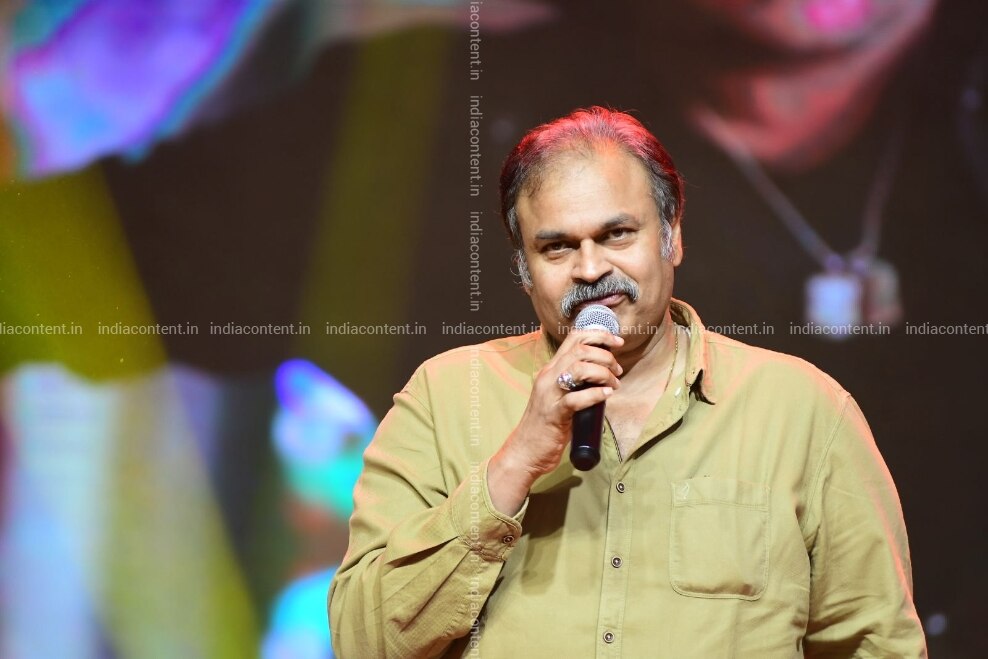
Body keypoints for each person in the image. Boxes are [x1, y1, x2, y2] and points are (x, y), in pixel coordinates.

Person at [328, 107, 925, 657]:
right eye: (556, 247)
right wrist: (514, 464)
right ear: (523, 270)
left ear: (673, 236)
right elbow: (362, 641)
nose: (591, 269)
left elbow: (878, 643)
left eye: (617, 234)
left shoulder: (802, 409)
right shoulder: (446, 397)